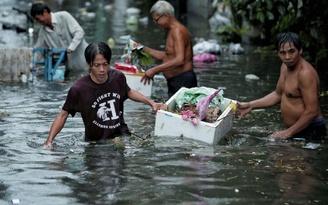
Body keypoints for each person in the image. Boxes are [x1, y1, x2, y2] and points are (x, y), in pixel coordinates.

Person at [44, 42, 166, 148]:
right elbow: (63, 115)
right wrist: (49, 142)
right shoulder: (78, 90)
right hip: (96, 143)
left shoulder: (118, 77)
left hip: (122, 136)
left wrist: (151, 103)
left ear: (110, 62)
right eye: (97, 65)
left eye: (105, 64)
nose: (102, 69)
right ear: (88, 64)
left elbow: (128, 92)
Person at [237, 32, 326, 142]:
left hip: (311, 129)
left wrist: (286, 133)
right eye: (282, 53)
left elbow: (312, 111)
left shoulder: (305, 73)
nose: (287, 57)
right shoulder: (285, 66)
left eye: (292, 51)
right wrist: (250, 105)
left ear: (300, 50)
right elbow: (278, 94)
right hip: (295, 129)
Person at [140, 0, 197, 97]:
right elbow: (168, 56)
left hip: (183, 80)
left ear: (166, 16)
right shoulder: (172, 30)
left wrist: (154, 70)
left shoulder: (177, 31)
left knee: (182, 111)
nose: (156, 23)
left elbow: (180, 59)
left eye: (157, 20)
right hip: (176, 81)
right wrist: (145, 49)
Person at [30, 2, 88, 76]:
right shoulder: (43, 32)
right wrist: (32, 64)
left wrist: (71, 48)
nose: (38, 22)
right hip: (70, 68)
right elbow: (38, 50)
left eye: (38, 19)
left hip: (84, 60)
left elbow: (79, 32)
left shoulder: (63, 16)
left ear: (45, 12)